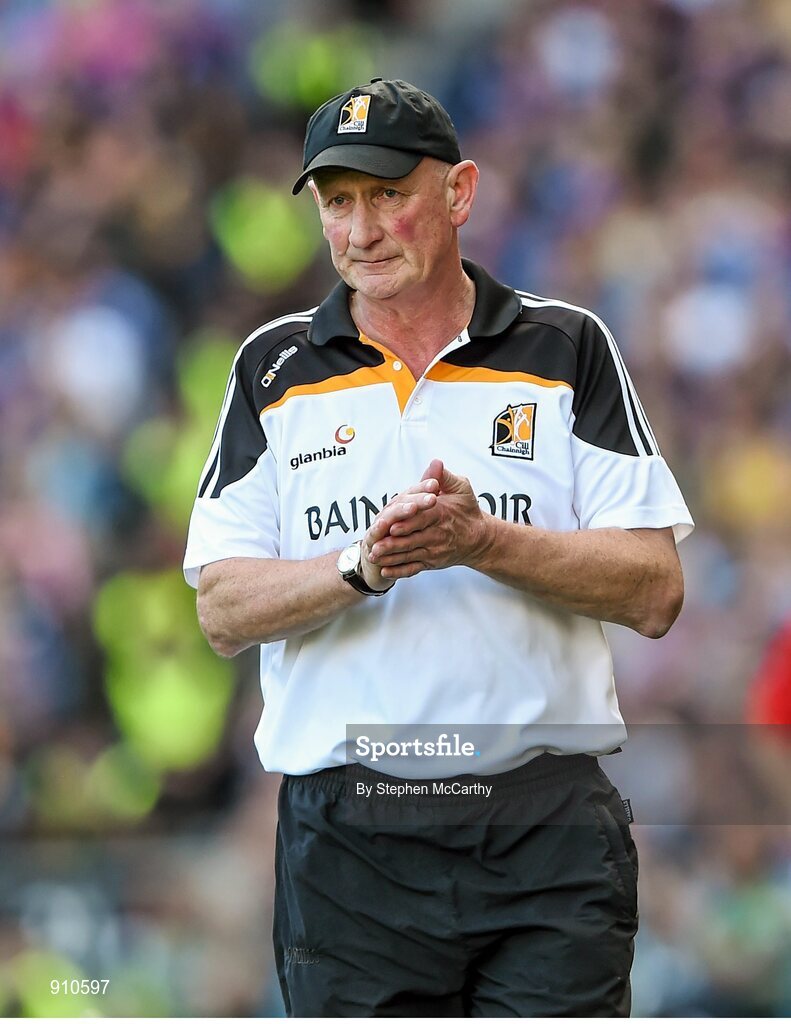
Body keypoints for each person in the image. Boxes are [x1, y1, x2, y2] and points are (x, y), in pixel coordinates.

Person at [184, 78, 694, 1017]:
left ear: (458, 193)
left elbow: (654, 589)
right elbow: (221, 609)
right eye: (337, 203)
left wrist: (479, 540)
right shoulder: (271, 368)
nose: (360, 231)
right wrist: (361, 567)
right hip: (349, 841)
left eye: (387, 195)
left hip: (543, 824)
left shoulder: (565, 346)